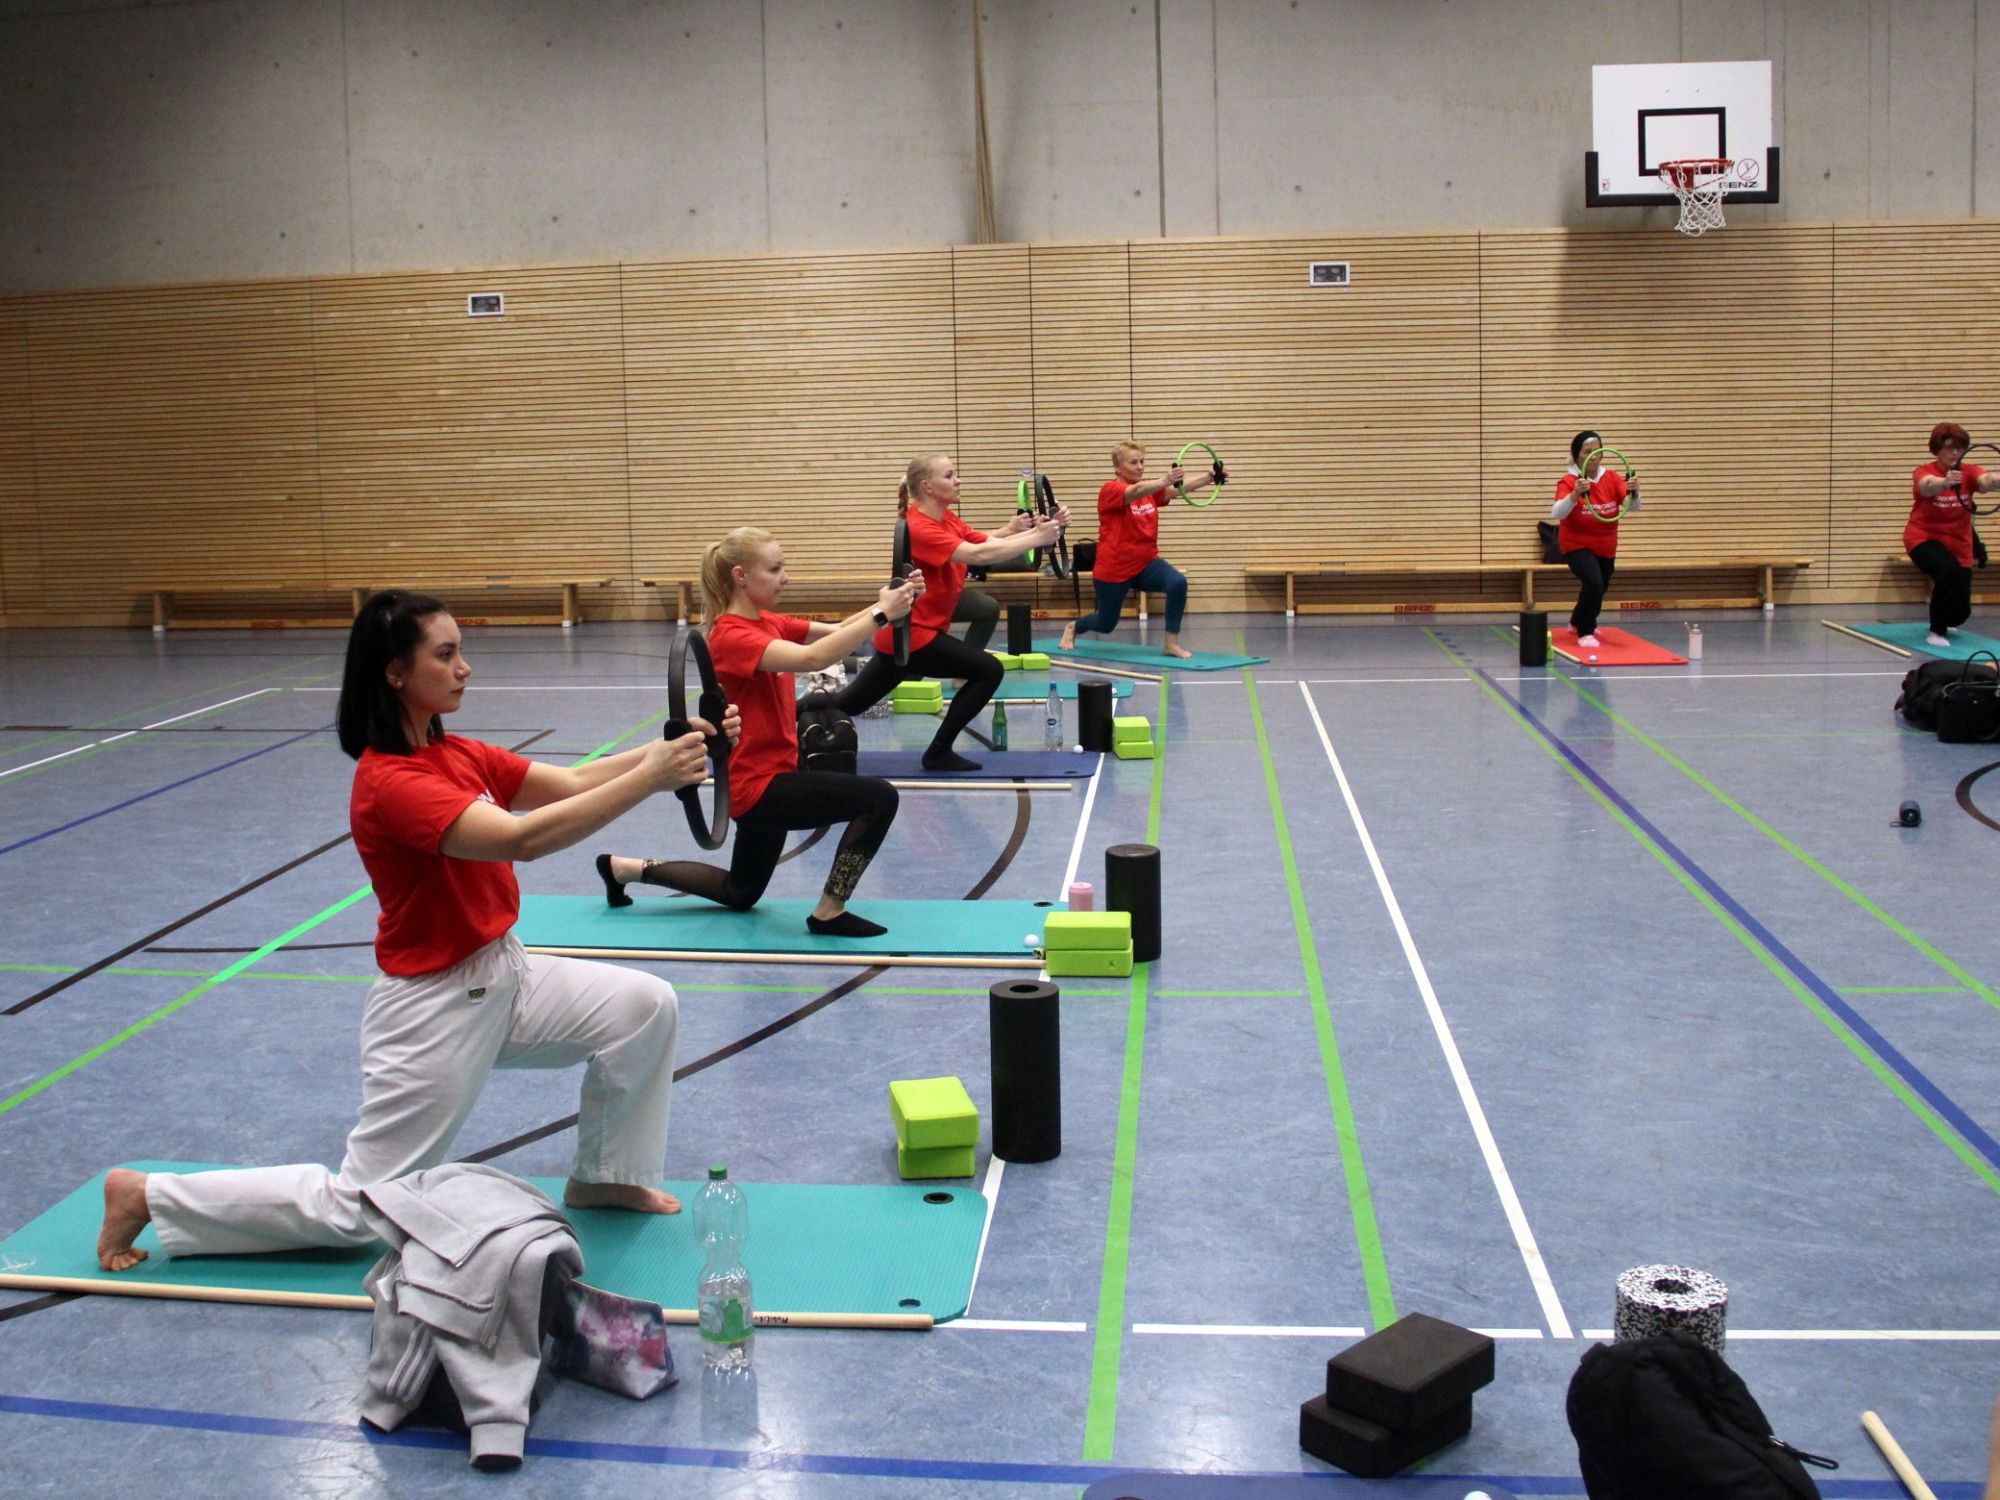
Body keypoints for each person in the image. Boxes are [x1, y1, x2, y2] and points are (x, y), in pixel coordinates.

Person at [95, 589, 734, 1271]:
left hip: (506, 972)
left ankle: (606, 1177)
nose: (465, 668)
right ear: (396, 672)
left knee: (643, 1008)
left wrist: (674, 748)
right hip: (437, 1003)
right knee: (358, 1212)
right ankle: (148, 1196)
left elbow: (573, 782)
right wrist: (649, 778)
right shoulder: (392, 783)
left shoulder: (454, 753)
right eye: (446, 654)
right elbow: (520, 839)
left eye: (461, 652)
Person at [597, 527, 919, 937]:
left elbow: (840, 632)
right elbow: (813, 658)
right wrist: (882, 613)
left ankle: (622, 869)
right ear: (741, 576)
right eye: (775, 569)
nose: (786, 577)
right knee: (880, 798)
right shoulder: (732, 636)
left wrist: (893, 599)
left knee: (741, 891)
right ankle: (829, 911)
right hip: (759, 786)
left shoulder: (768, 621)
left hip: (771, 776)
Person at [805, 454, 1065, 772]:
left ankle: (786, 717)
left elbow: (982, 541)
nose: (958, 480)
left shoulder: (945, 518)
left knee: (849, 704)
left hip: (905, 635)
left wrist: (1039, 530)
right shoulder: (920, 527)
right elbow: (978, 554)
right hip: (914, 635)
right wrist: (1038, 537)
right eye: (950, 475)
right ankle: (939, 752)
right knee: (988, 670)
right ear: (928, 486)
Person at [1059, 441, 1218, 660]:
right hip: (1114, 568)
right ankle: (1074, 627)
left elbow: (1176, 490)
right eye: (1133, 462)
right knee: (1106, 623)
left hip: (1145, 564)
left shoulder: (1148, 490)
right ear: (1117, 467)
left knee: (1177, 583)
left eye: (1142, 461)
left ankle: (1171, 644)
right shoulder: (1110, 490)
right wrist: (1163, 480)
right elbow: (1135, 491)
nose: (1140, 467)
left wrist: (1209, 477)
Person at [1906, 421, 1996, 648]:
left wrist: (1995, 480)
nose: (1954, 453)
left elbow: (1986, 482)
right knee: (1947, 571)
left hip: (1958, 543)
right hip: (1923, 538)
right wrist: (1945, 482)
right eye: (1948, 448)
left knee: (1959, 614)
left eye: (1959, 448)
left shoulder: (1969, 471)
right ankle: (1936, 632)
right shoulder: (1924, 471)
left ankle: (1947, 619)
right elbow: (1926, 486)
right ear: (1937, 449)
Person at [1551, 430, 1640, 649]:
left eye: (1597, 451)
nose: (1593, 456)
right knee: (1593, 582)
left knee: (1601, 585)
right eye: (1587, 452)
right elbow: (1557, 513)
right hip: (1576, 544)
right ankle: (1585, 630)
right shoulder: (1569, 480)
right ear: (1577, 455)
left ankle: (1576, 621)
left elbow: (1634, 508)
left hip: (1606, 545)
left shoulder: (1612, 478)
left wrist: (1635, 493)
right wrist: (1574, 495)